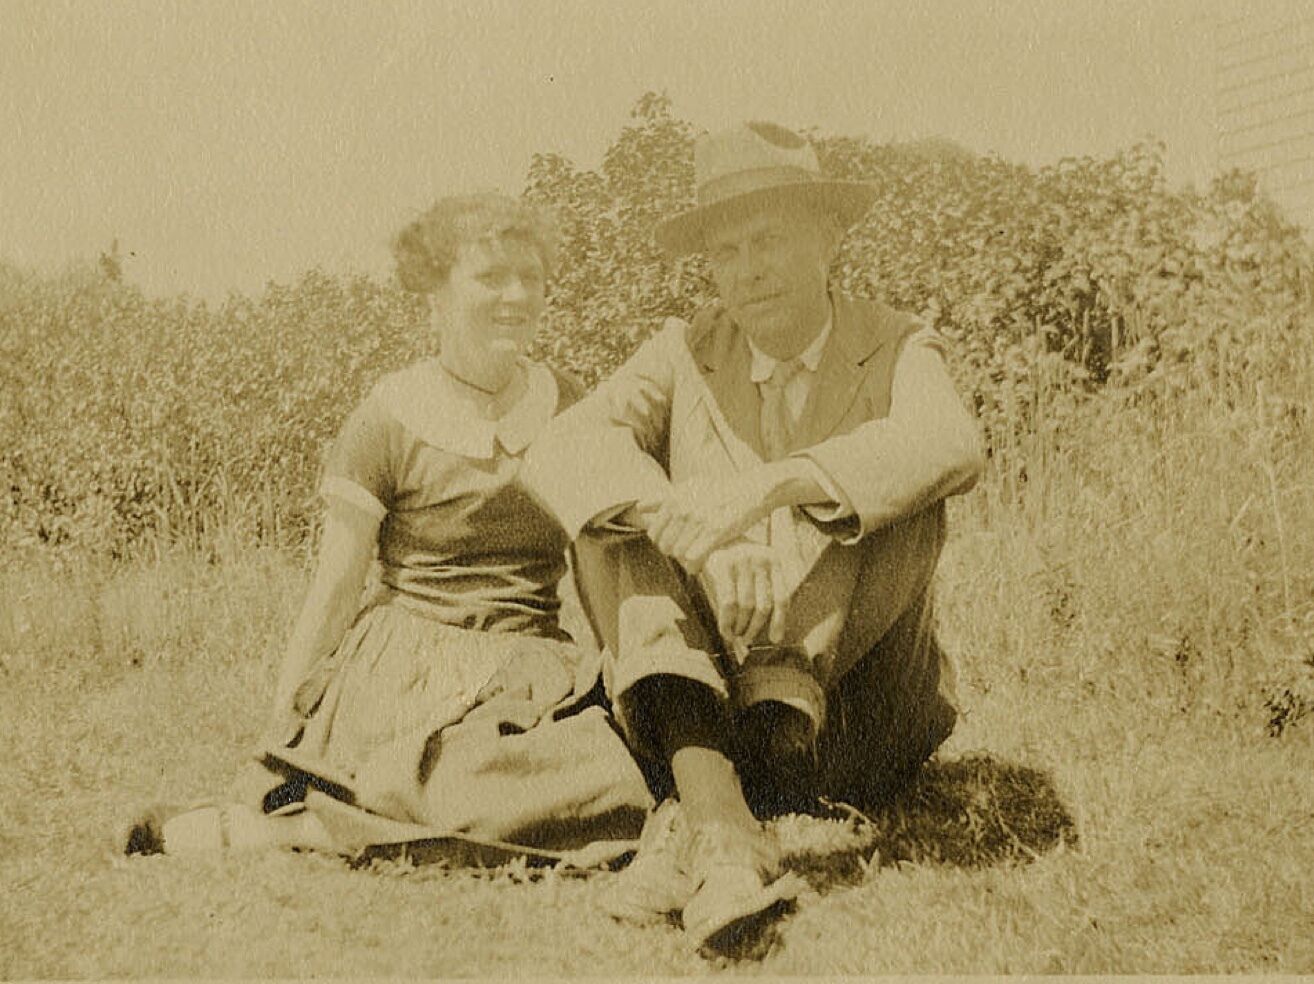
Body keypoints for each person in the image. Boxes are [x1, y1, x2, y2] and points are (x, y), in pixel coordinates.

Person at [519, 122, 987, 949]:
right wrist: (689, 529)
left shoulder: (897, 344)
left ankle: (694, 810)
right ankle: (725, 831)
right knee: (614, 517)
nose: (746, 271)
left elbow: (953, 441)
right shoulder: (682, 350)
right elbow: (558, 447)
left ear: (829, 238)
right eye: (723, 252)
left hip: (851, 720)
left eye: (767, 240)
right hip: (708, 694)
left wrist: (769, 487)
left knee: (881, 485)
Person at [121, 193, 652, 863]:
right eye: (491, 277)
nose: (517, 295)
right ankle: (303, 826)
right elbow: (336, 587)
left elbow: (598, 563)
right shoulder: (390, 417)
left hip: (529, 665)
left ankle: (321, 830)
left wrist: (632, 684)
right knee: (464, 783)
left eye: (532, 277)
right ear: (434, 294)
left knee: (617, 779)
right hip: (408, 668)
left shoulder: (568, 404)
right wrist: (281, 725)